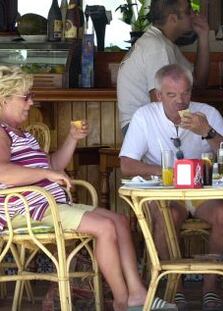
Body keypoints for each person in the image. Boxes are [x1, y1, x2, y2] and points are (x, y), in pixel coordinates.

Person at [0, 66, 177, 311]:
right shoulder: (1, 132)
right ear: (4, 99)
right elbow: (3, 172)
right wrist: (46, 173)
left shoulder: (23, 133)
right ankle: (123, 301)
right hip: (27, 211)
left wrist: (72, 138)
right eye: (25, 97)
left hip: (48, 205)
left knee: (120, 221)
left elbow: (53, 164)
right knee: (104, 227)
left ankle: (138, 294)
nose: (32, 102)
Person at [120, 64, 223, 311]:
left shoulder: (206, 114)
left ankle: (210, 288)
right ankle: (175, 290)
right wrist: (168, 173)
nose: (180, 101)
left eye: (185, 94)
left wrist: (207, 132)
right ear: (158, 95)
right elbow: (127, 165)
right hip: (165, 193)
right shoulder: (145, 115)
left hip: (201, 192)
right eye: (172, 95)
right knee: (168, 216)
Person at [117, 0, 210, 136]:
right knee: (210, 138)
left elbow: (199, 83)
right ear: (173, 19)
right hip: (142, 129)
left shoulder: (164, 43)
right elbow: (161, 104)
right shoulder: (157, 47)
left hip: (149, 125)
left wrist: (203, 36)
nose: (194, 15)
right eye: (188, 12)